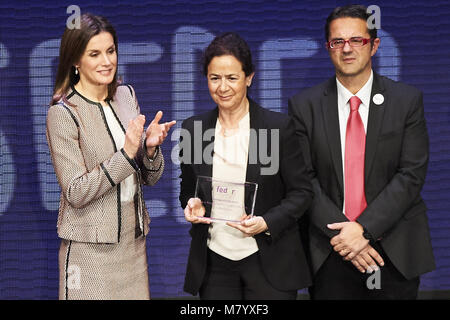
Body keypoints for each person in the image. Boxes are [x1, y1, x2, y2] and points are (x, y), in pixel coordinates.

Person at [288, 4, 436, 299]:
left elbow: (411, 174)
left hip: (393, 250)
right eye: (337, 41)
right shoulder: (304, 105)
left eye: (357, 40)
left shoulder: (406, 101)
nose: (347, 49)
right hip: (332, 249)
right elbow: (303, 178)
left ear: (374, 46)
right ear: (328, 47)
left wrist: (364, 230)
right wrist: (346, 236)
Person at [46, 13, 175, 300]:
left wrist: (150, 150)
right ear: (75, 60)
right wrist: (127, 154)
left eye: (111, 50)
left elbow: (148, 178)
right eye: (95, 54)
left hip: (132, 246)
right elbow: (76, 191)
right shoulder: (64, 114)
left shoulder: (126, 95)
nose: (107, 61)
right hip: (90, 252)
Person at [179, 32, 313, 300]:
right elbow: (188, 189)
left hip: (269, 260)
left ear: (249, 77)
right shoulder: (194, 130)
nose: (222, 87)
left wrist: (266, 222)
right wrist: (193, 203)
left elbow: (302, 193)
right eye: (214, 78)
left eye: (232, 78)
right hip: (215, 261)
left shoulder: (276, 128)